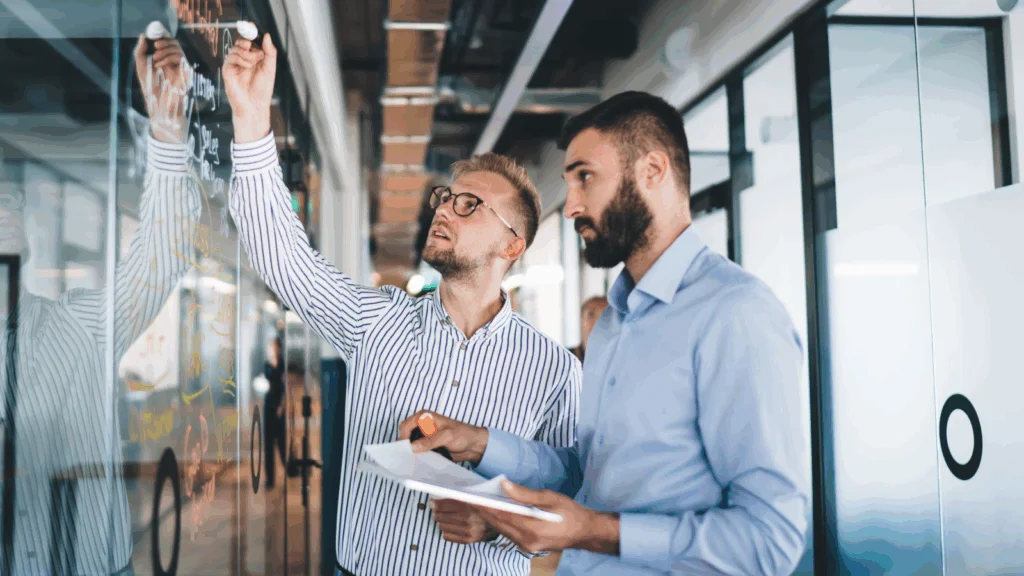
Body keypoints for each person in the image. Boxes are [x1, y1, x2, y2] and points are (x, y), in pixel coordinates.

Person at [401, 91, 810, 575]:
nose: (571, 206)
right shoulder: (615, 321)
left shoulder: (736, 315)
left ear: (652, 172)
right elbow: (590, 474)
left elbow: (771, 541)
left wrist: (591, 531)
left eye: (585, 178)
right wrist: (479, 443)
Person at [221, 36, 581, 576]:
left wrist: (498, 527)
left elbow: (570, 494)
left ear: (512, 246)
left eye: (470, 206)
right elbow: (285, 262)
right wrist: (251, 121)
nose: (446, 211)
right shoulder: (378, 320)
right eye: (445, 197)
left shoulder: (553, 371)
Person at [0, 35, 200, 574]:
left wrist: (167, 128)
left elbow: (162, 256)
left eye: (9, 206)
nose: (4, 216)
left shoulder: (79, 325)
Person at [263, 337, 287, 488]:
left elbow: (285, 387)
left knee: (282, 444)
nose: (274, 349)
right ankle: (270, 480)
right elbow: (265, 380)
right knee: (268, 446)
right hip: (268, 406)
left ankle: (289, 469)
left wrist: (282, 406)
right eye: (272, 347)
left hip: (279, 408)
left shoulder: (283, 364)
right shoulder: (267, 364)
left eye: (276, 347)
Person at [569, 296, 608, 362]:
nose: (597, 321)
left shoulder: (620, 361)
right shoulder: (564, 358)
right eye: (591, 314)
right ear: (581, 320)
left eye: (605, 316)